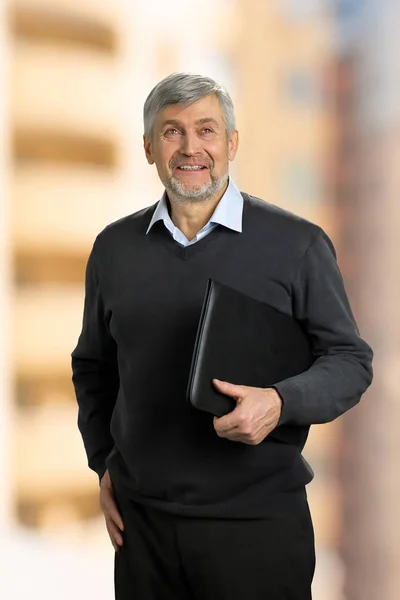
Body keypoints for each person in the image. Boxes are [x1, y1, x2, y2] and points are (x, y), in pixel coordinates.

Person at [71, 72, 373, 599]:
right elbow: (93, 368)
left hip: (258, 529)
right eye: (172, 132)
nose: (191, 148)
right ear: (148, 148)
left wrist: (280, 402)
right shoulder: (114, 250)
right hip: (143, 535)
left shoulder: (297, 245)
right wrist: (104, 465)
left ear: (231, 142)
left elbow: (350, 360)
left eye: (207, 130)